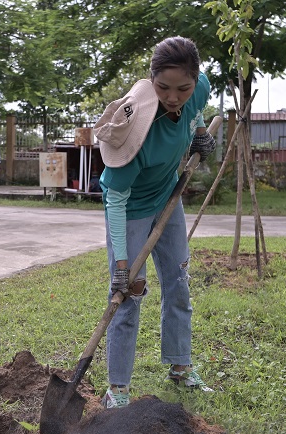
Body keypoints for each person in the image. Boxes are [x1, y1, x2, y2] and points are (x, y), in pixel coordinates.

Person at [93, 36, 217, 409]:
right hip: (129, 210)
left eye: (183, 87)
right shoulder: (132, 131)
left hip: (167, 198)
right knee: (128, 295)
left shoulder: (201, 89)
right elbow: (115, 200)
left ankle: (180, 366)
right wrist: (120, 266)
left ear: (195, 81)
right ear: (151, 81)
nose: (174, 96)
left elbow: (195, 113)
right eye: (163, 88)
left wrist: (198, 138)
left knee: (178, 280)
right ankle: (118, 389)